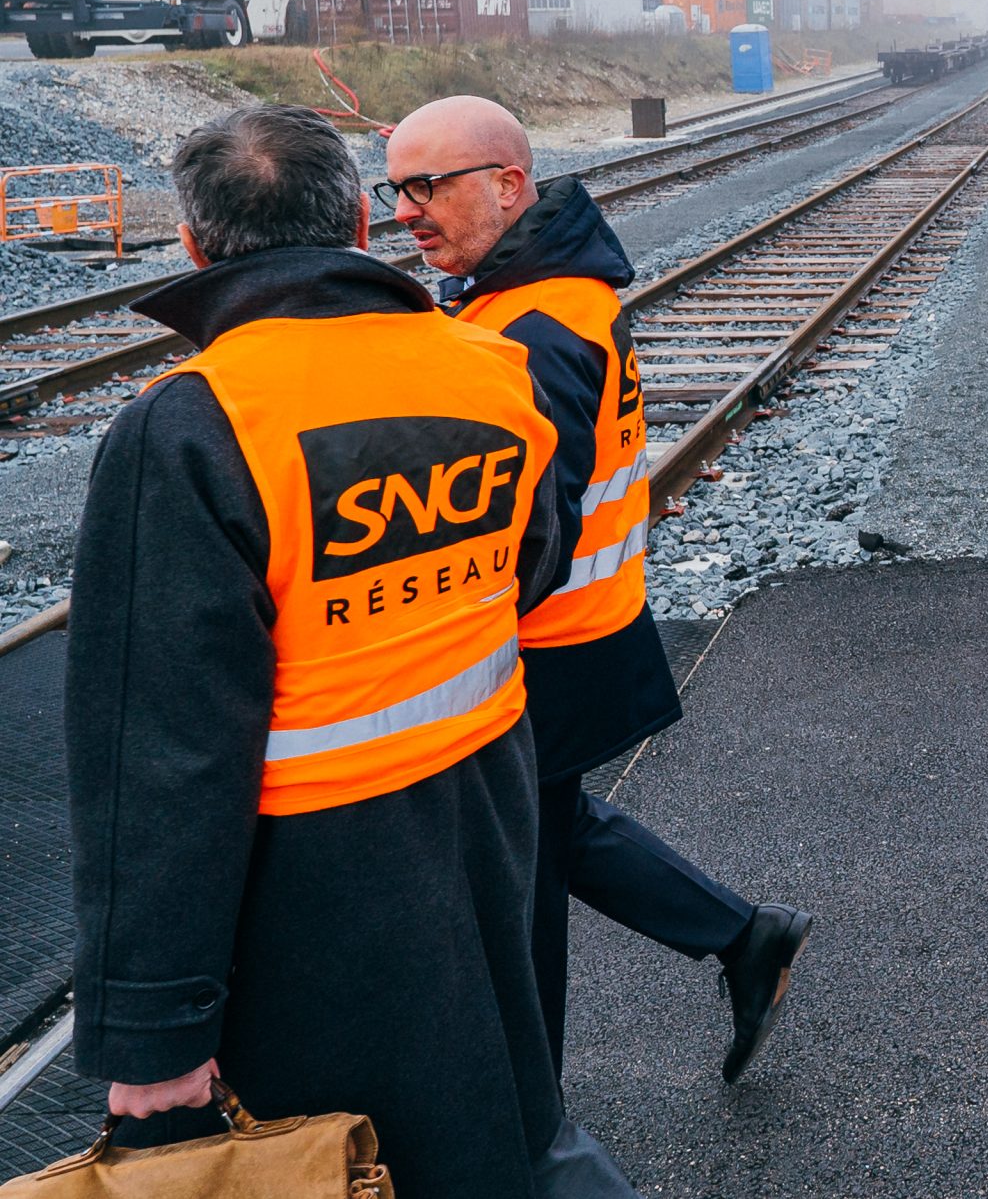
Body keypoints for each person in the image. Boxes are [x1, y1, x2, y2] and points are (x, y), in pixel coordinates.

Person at [65, 103, 636, 1197]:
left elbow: (160, 747)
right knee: (495, 1125)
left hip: (303, 895)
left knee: (351, 1158)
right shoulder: (485, 368)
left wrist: (152, 1038)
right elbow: (530, 568)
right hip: (486, 812)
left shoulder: (192, 424)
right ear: (363, 221)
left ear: (192, 246)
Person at [385, 97, 811, 1083]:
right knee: (550, 829)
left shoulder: (532, 328)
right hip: (583, 627)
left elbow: (536, 516)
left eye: (426, 185)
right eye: (395, 187)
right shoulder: (545, 293)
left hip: (538, 648)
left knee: (518, 870)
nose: (405, 210)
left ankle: (531, 1124)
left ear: (508, 185)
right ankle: (744, 937)